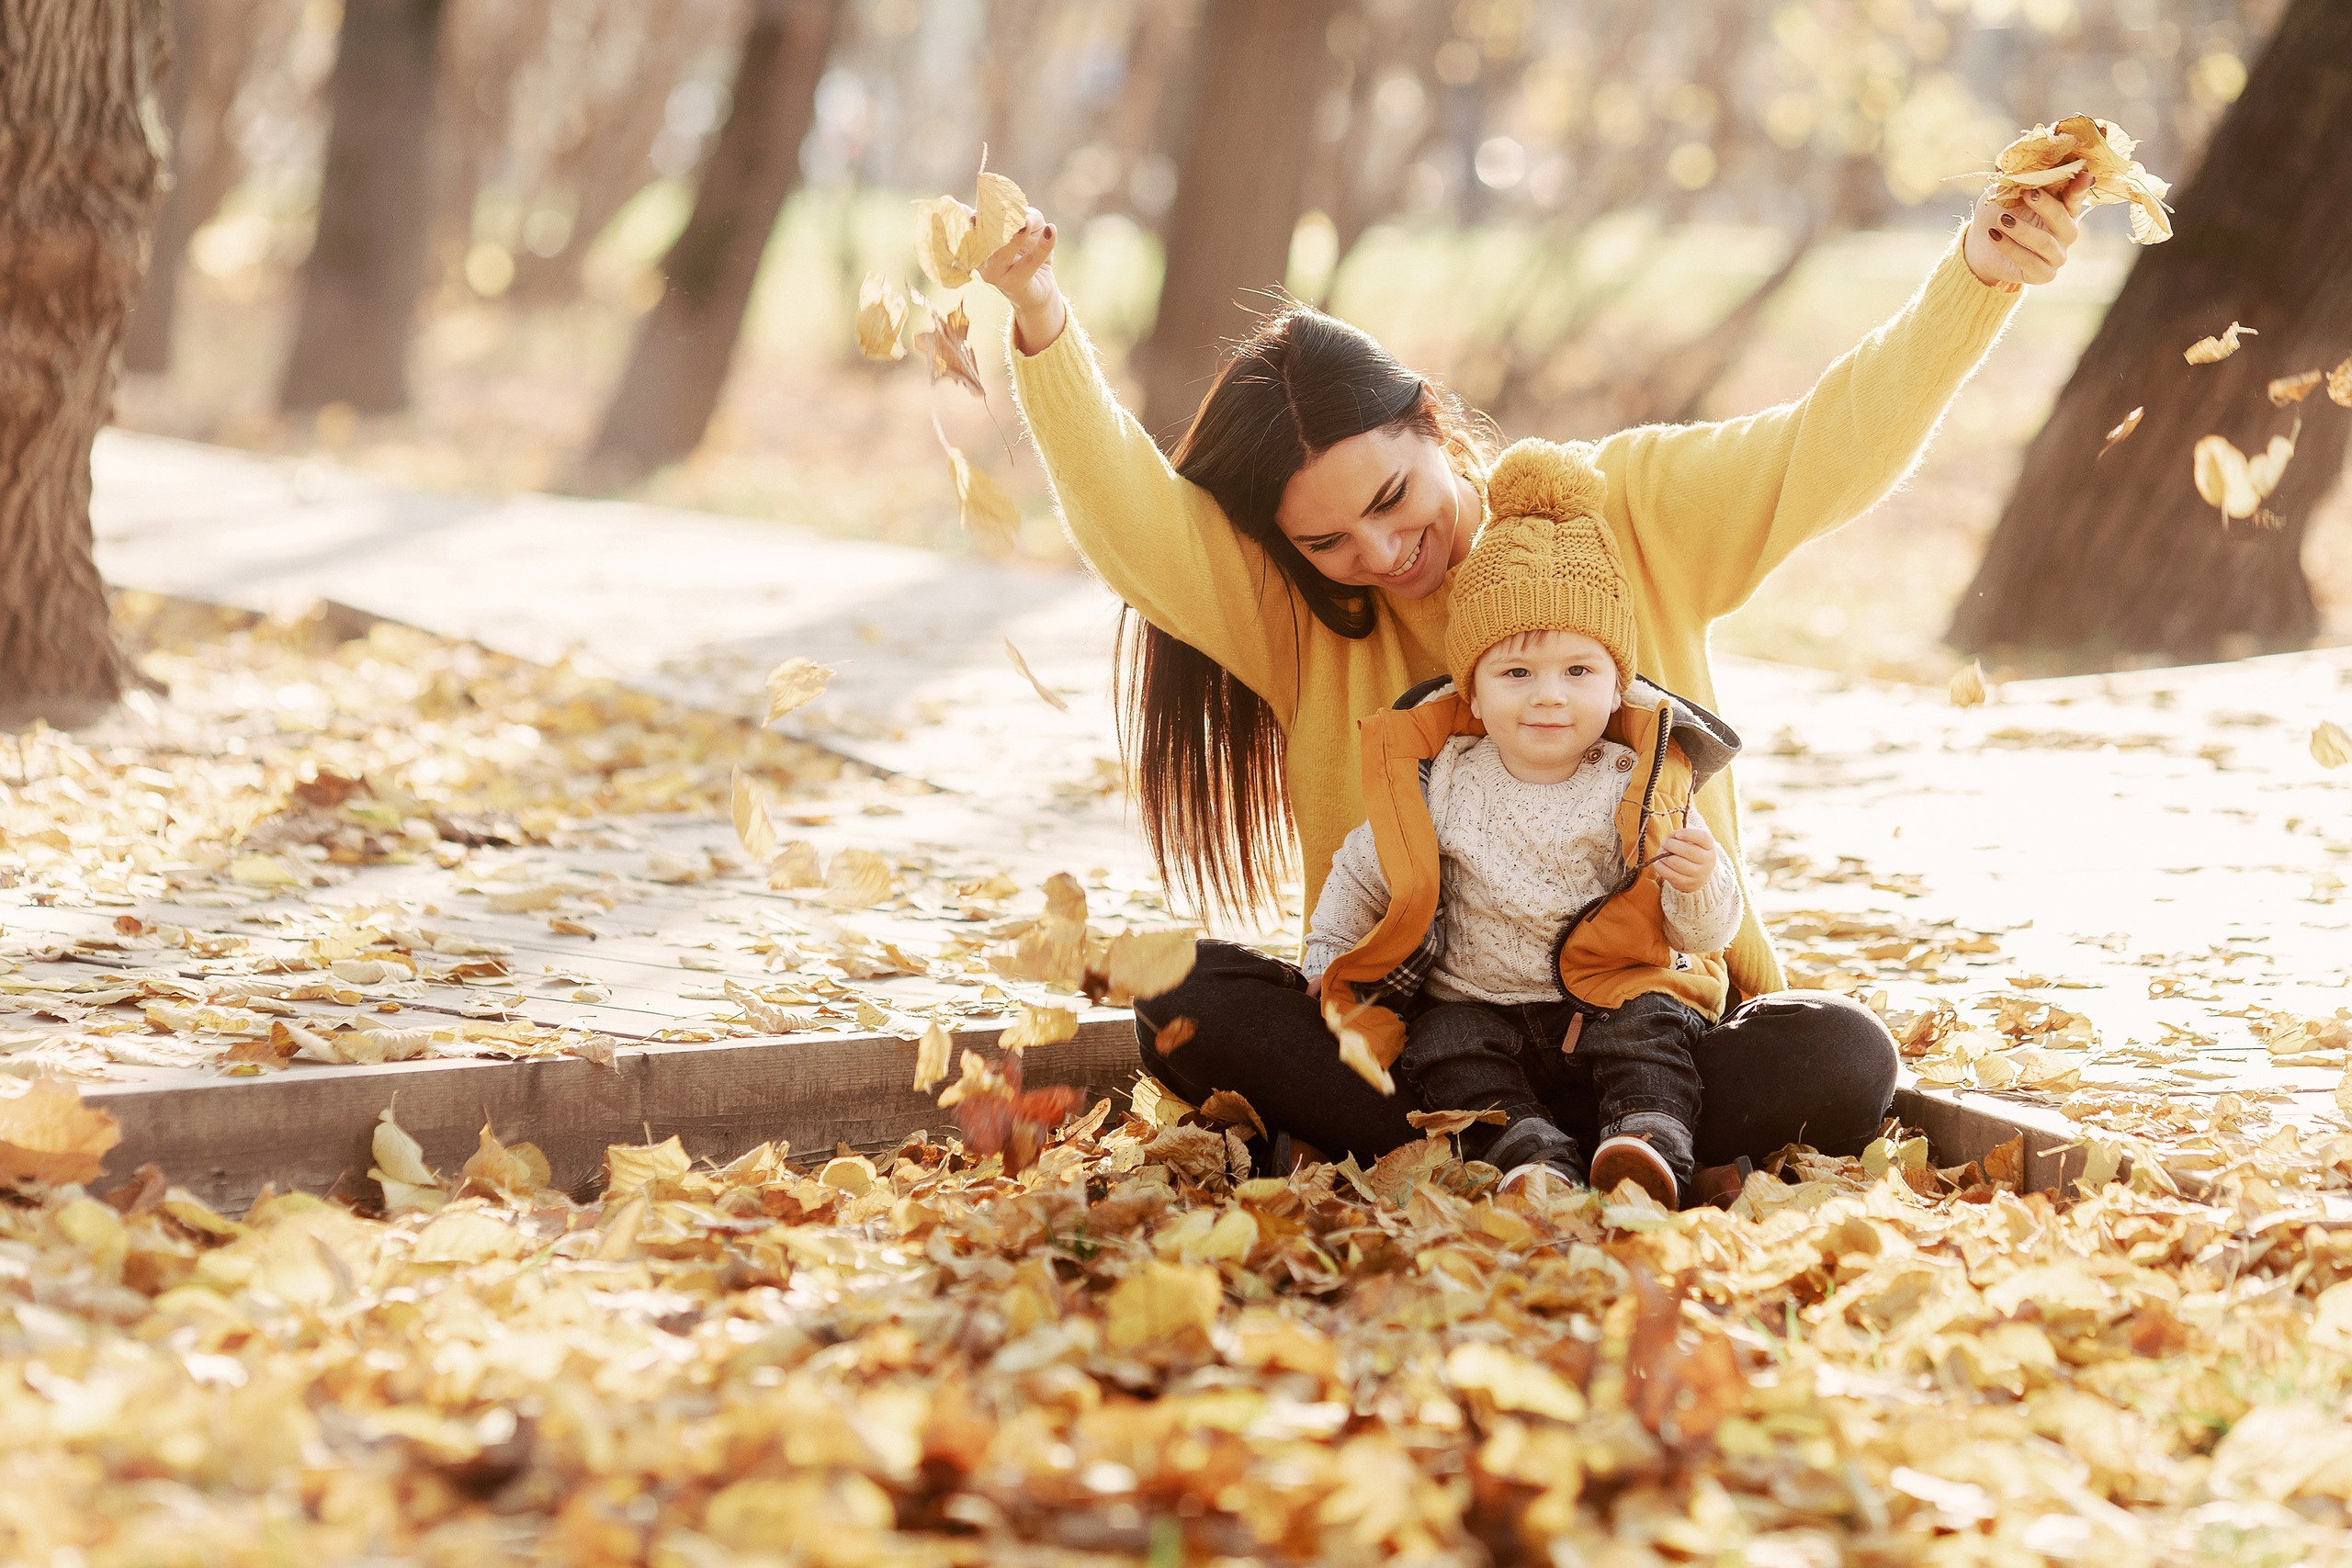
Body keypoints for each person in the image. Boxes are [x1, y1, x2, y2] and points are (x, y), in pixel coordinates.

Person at [983, 168, 2090, 1175]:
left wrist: (1977, 280)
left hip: (1654, 1032)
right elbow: (1134, 515)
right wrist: (1039, 317)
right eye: (1326, 543)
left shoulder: (1631, 509)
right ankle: (1503, 1148)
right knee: (1177, 998)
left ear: (1430, 424)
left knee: (1847, 1059)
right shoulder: (1306, 624)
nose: (1375, 555)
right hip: (1434, 1050)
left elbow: (1823, 447)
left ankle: (1601, 1146)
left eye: (1388, 500)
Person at [1302, 442, 1740, 1206]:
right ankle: (1531, 1157)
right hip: (1481, 1006)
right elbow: (1363, 868)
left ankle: (1648, 1142)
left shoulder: (1632, 784)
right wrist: (1328, 961)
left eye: (1579, 672)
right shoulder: (1447, 783)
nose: (1548, 696)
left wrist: (1702, 883)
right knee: (1444, 1046)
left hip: (1605, 1002)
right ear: (1472, 690)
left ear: (1617, 690)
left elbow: (1700, 937)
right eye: (1516, 673)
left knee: (1654, 1023)